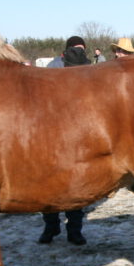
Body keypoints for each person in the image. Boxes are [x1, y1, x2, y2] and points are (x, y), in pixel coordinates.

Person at [39, 36, 90, 245]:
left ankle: (74, 230)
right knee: (47, 185)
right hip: (51, 132)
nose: (78, 52)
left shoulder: (89, 67)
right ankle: (50, 227)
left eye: (81, 49)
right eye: (75, 49)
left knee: (74, 185)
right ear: (67, 50)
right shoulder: (53, 66)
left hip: (77, 133)